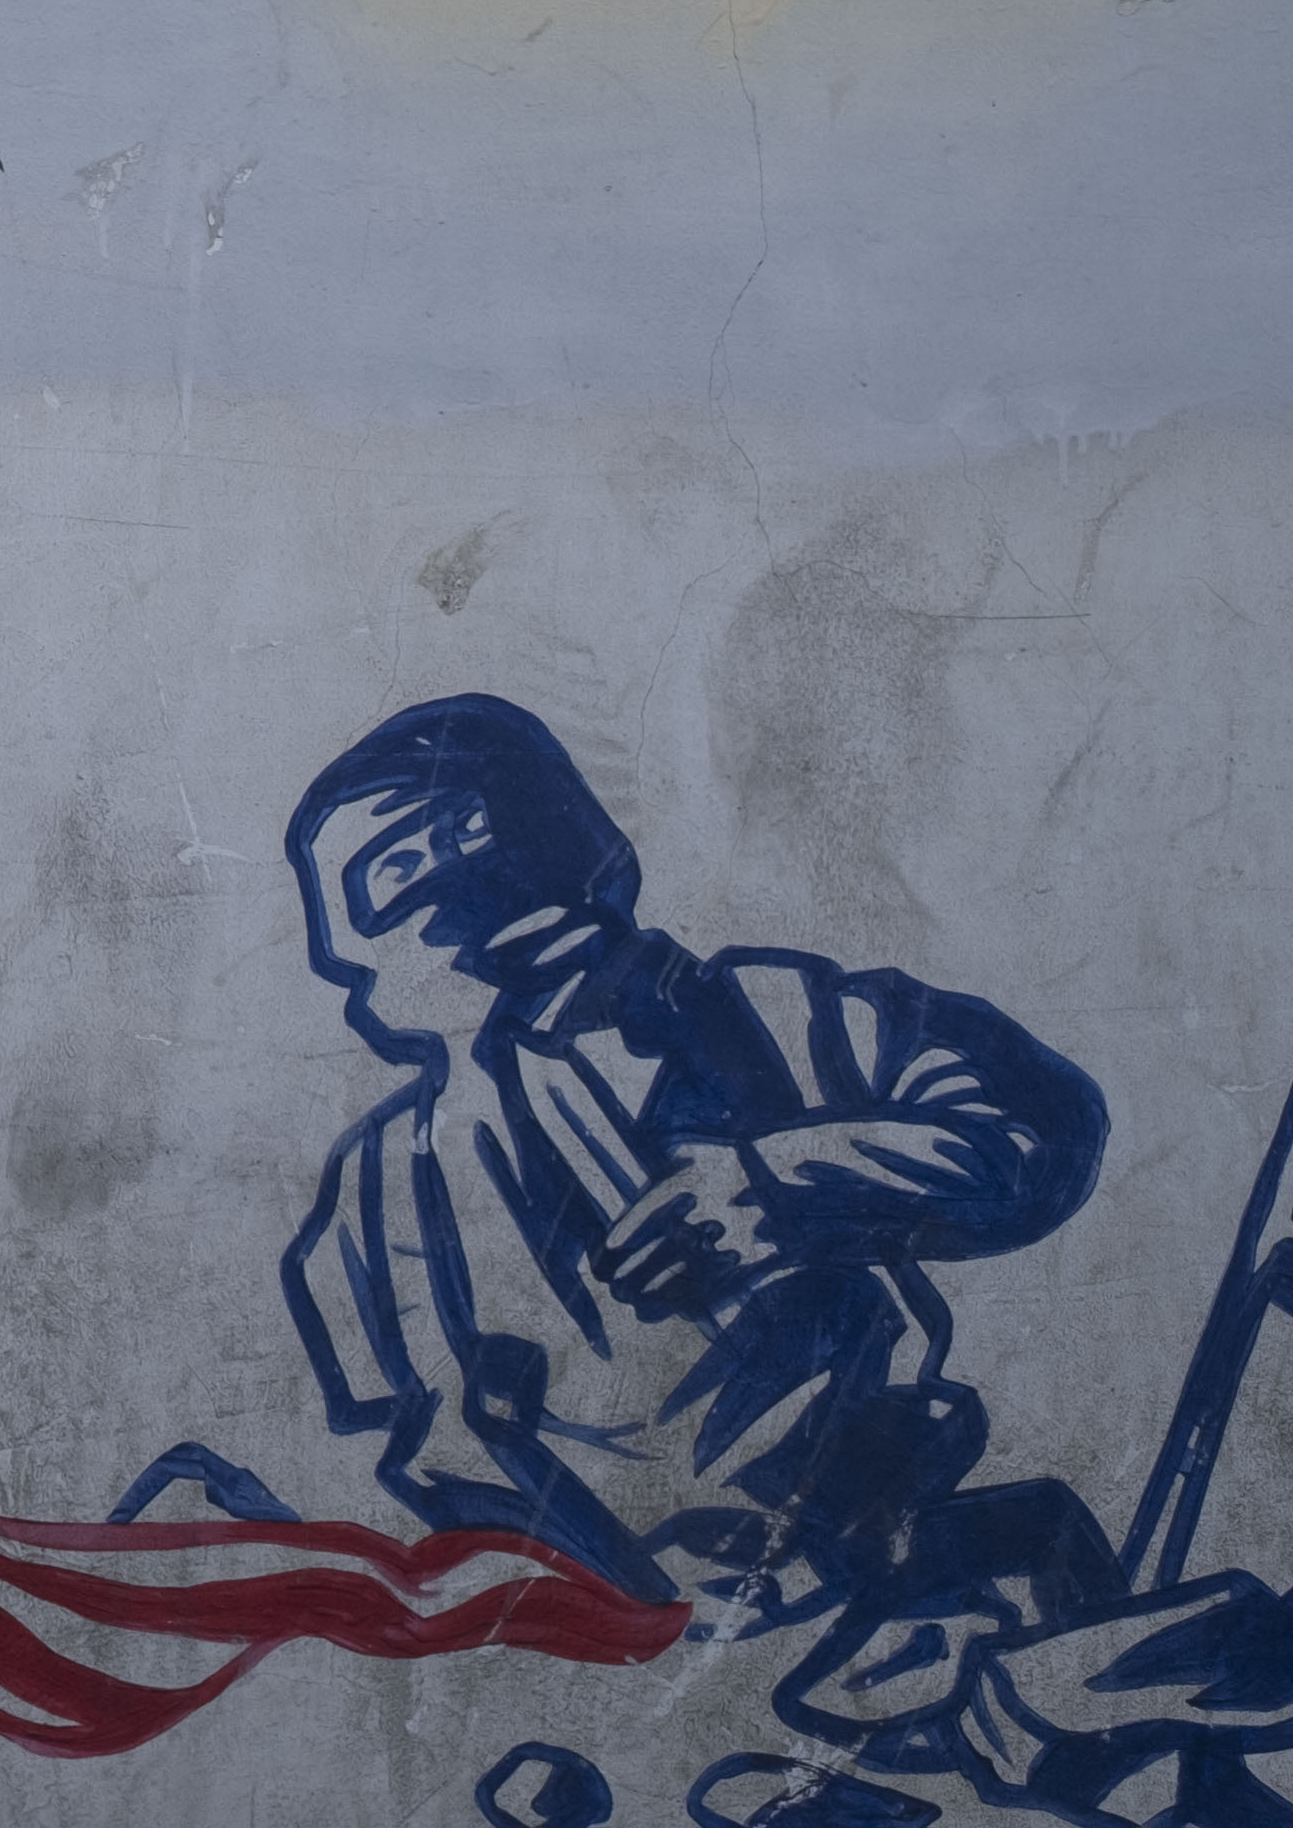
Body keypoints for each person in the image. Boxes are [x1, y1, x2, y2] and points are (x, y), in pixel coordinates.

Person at [280, 694, 1108, 1638]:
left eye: (390, 875)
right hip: (599, 1635)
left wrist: (778, 1185)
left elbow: (1043, 1129)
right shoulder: (381, 1182)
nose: (348, 957)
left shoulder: (776, 1016)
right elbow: (374, 1448)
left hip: (887, 1574)